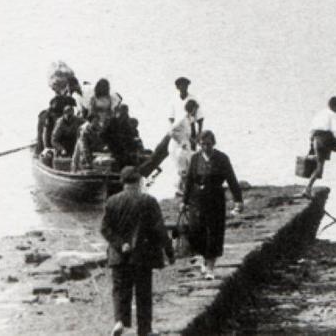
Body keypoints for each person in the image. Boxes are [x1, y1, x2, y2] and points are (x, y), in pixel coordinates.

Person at [100, 166, 174, 336]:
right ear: (139, 181)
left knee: (120, 290)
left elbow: (104, 229)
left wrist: (120, 244)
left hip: (118, 256)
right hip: (142, 255)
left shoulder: (111, 201)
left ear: (122, 182)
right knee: (143, 292)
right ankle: (145, 330)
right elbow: (160, 230)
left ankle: (119, 321)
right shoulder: (148, 201)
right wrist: (169, 252)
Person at [181, 130, 243, 281]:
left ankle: (210, 268)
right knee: (198, 231)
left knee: (213, 233)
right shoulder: (195, 158)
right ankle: (204, 259)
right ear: (199, 144)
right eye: (202, 144)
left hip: (215, 198)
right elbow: (189, 180)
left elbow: (231, 179)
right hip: (197, 200)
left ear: (213, 143)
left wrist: (238, 200)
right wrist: (184, 201)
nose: (205, 147)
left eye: (208, 144)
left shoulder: (222, 158)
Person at [168, 77, 204, 149]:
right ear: (177, 87)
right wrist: (175, 128)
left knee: (192, 151)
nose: (184, 87)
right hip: (179, 128)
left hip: (191, 127)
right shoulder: (173, 100)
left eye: (185, 85)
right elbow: (171, 118)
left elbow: (200, 119)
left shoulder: (193, 99)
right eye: (181, 85)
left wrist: (199, 133)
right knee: (179, 150)